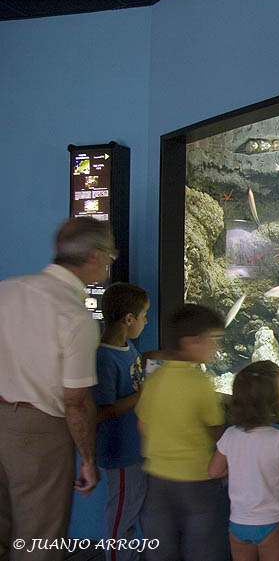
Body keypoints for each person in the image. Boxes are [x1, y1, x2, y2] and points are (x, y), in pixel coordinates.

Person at [0, 217, 115, 561]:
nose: (111, 262)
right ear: (94, 256)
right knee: (39, 536)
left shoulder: (8, 289)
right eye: (111, 254)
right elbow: (76, 401)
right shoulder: (75, 317)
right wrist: (88, 460)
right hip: (38, 433)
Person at [135, 304, 228, 561]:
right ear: (190, 342)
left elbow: (142, 425)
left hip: (156, 478)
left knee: (159, 545)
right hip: (198, 479)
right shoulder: (201, 383)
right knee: (203, 545)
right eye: (213, 341)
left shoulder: (154, 380)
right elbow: (216, 430)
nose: (216, 348)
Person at [208, 361, 279, 561]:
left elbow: (214, 471)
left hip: (238, 524)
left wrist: (240, 465)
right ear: (276, 400)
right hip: (273, 523)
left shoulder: (230, 435)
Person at [94, 283, 150, 561]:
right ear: (129, 319)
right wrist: (143, 395)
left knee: (131, 509)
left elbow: (135, 374)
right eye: (144, 315)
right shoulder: (104, 358)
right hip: (121, 452)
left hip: (134, 448)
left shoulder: (128, 348)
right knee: (120, 515)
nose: (146, 321)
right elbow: (102, 411)